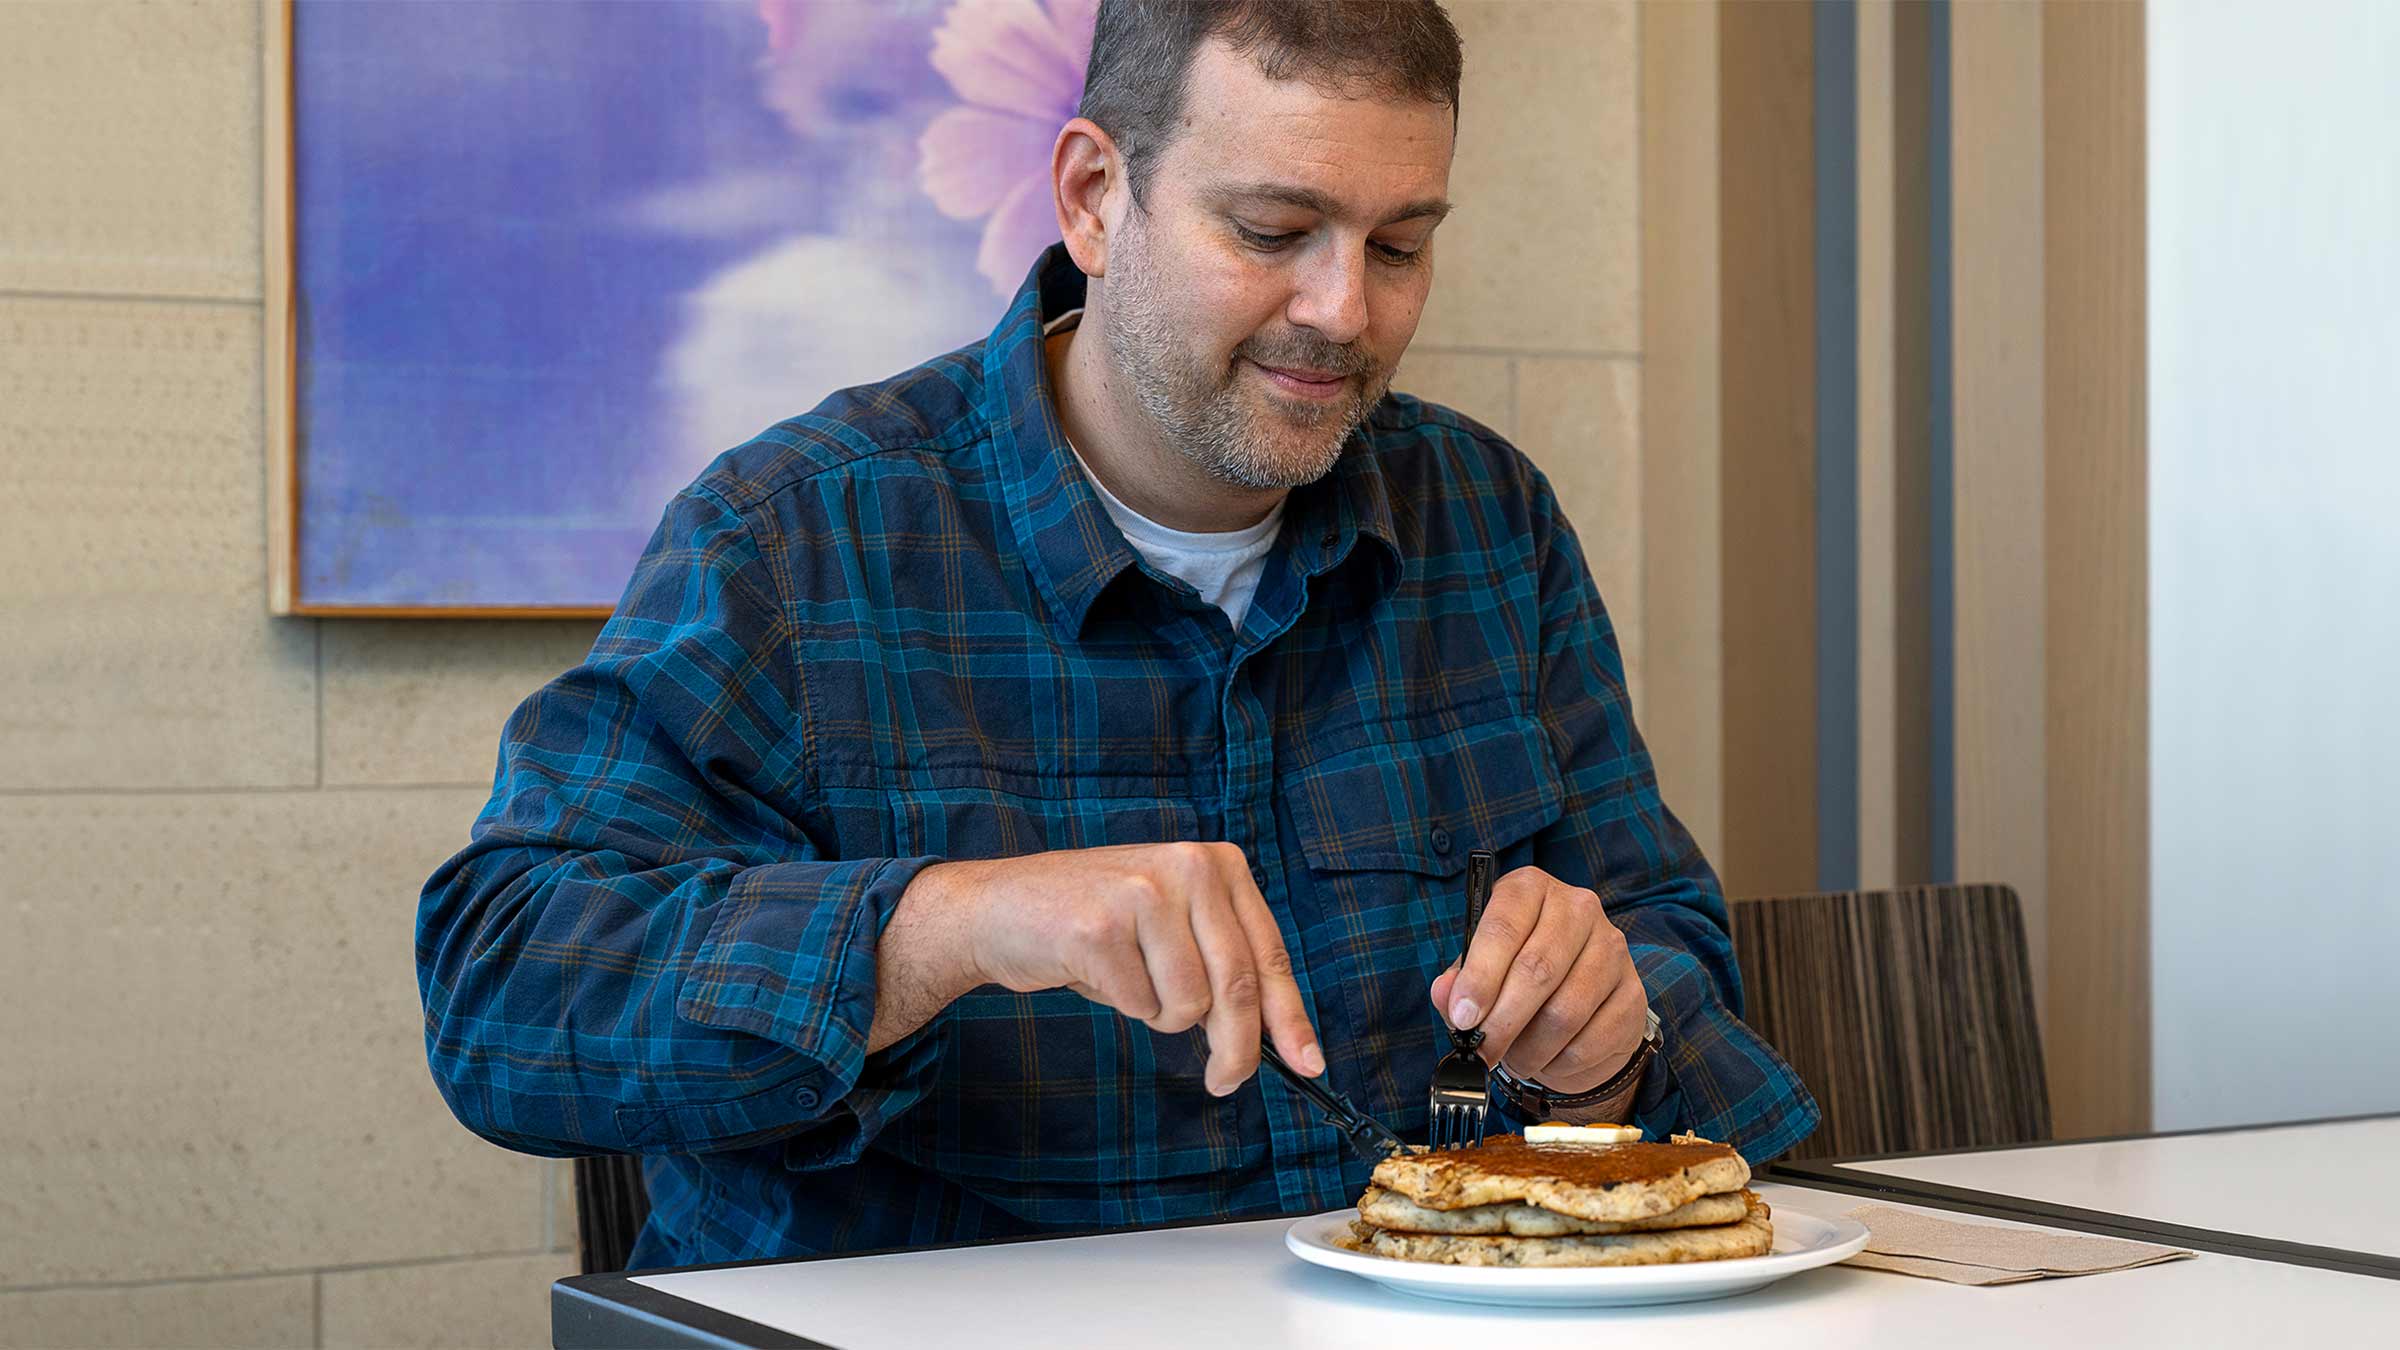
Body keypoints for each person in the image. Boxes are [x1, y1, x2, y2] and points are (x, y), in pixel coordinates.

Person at [416, 0, 1817, 1268]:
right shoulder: (791, 539)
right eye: (1274, 231)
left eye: (1400, 245)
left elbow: (1668, 947)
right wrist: (945, 923)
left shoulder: (1488, 523)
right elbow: (502, 985)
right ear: (1094, 196)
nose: (1346, 312)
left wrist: (1606, 1043)